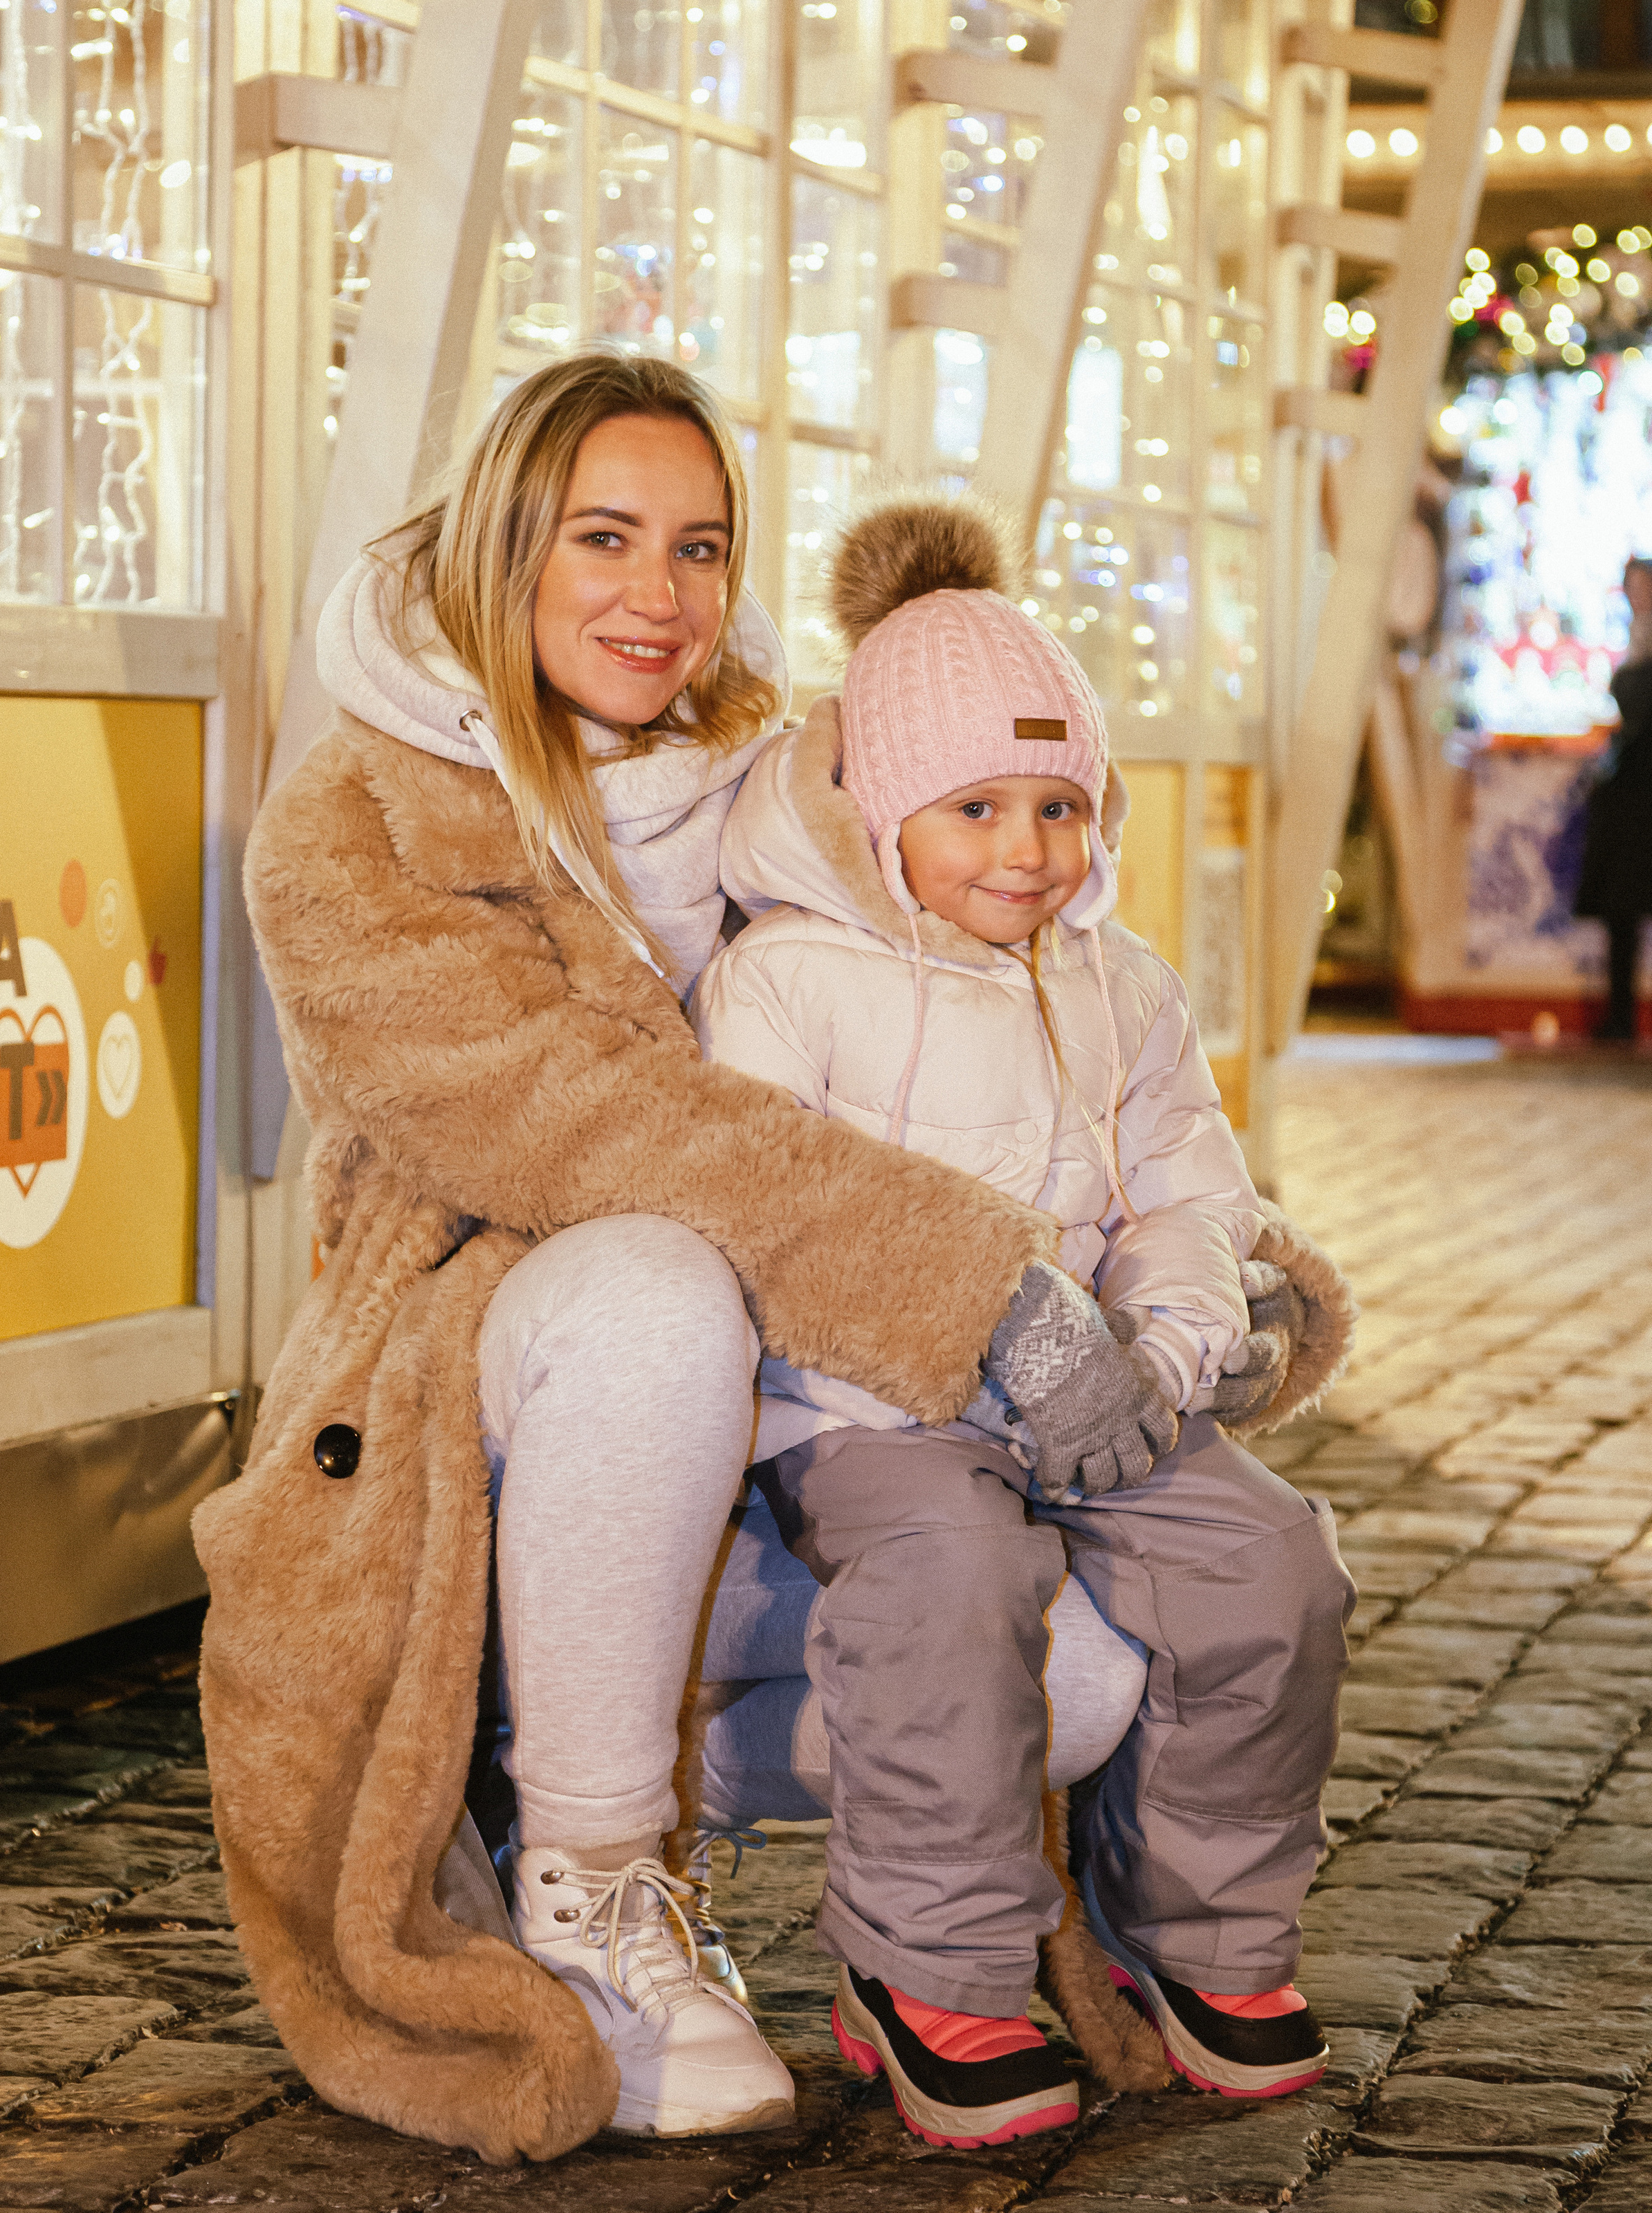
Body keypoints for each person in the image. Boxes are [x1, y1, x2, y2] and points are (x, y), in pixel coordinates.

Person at [198, 352, 1333, 2165]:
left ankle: (895, 1905)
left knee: (1090, 1669)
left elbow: (1028, 1036)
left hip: (808, 1413)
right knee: (658, 1271)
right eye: (605, 537)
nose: (660, 594)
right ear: (504, 544)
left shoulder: (799, 773)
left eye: (701, 545)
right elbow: (585, 1123)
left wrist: (1202, 1273)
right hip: (482, 1405)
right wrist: (981, 1289)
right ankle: (587, 1867)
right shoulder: (364, 818)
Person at [690, 495, 1357, 2134]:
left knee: (1271, 1564)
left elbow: (1189, 1190)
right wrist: (977, 1327)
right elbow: (766, 1214)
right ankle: (931, 1969)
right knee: (953, 1581)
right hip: (870, 1417)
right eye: (974, 805)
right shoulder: (786, 976)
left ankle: (1191, 1934)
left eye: (1058, 805)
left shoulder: (1116, 979)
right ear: (877, 809)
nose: (1024, 849)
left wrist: (1167, 1347)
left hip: (1098, 1406)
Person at [1576, 555, 1652, 1040]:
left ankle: (1622, 1016)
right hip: (1632, 797)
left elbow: (1637, 703)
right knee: (1622, 908)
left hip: (1642, 796)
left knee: (1627, 901)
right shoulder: (1636, 638)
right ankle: (1620, 1015)